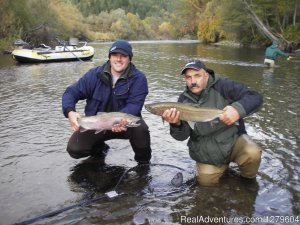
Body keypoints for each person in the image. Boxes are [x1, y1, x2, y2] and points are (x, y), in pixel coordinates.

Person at [162, 60, 263, 186]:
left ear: (206, 75)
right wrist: (175, 124)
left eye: (197, 75)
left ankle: (247, 183)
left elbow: (255, 97)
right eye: (188, 77)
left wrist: (237, 109)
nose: (193, 81)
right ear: (185, 79)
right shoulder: (182, 100)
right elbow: (182, 137)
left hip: (232, 141)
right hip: (207, 152)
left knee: (252, 153)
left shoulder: (224, 86)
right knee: (206, 182)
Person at [62, 40, 151, 165]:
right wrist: (70, 111)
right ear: (109, 57)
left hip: (124, 124)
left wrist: (121, 121)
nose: (118, 59)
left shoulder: (138, 78)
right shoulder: (94, 75)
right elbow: (71, 92)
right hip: (96, 124)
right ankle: (99, 151)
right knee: (75, 149)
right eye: (115, 55)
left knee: (140, 128)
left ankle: (143, 164)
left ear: (129, 59)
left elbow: (135, 105)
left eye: (123, 56)